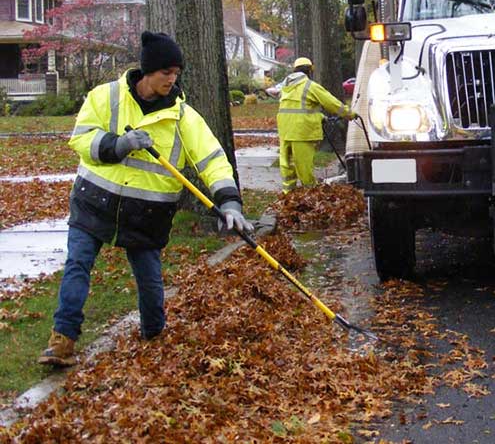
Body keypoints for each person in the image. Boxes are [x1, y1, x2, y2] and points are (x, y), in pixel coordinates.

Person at [38, 31, 252, 367]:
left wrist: (229, 201)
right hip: (95, 201)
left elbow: (212, 159)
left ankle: (154, 336)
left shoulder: (183, 118)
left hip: (146, 213)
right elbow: (81, 139)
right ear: (148, 71)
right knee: (78, 264)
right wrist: (117, 145)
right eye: (166, 72)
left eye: (176, 73)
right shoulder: (105, 97)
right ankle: (62, 341)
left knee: (150, 281)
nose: (172, 79)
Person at [277, 57, 355, 193]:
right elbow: (331, 103)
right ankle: (311, 194)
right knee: (304, 166)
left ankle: (288, 194)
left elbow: (297, 109)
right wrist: (349, 114)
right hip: (302, 132)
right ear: (309, 70)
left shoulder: (285, 87)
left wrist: (320, 117)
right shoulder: (309, 86)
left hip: (285, 130)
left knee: (287, 165)